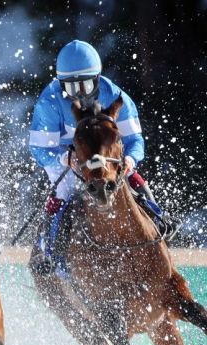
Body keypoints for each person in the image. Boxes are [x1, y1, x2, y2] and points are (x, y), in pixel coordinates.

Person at [29, 40, 180, 274]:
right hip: (67, 155)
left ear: (98, 79)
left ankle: (160, 218)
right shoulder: (49, 101)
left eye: (85, 85)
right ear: (60, 84)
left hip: (102, 154)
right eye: (71, 88)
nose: (78, 94)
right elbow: (39, 150)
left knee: (128, 175)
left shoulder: (115, 95)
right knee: (64, 191)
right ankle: (50, 252)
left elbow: (135, 141)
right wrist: (64, 159)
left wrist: (130, 160)